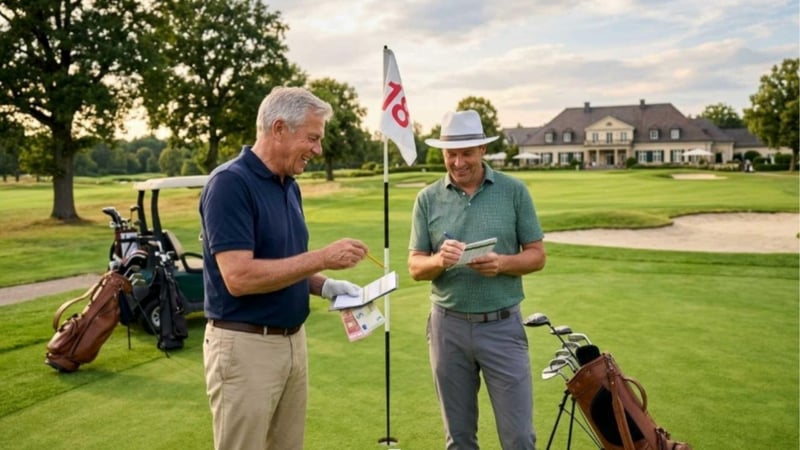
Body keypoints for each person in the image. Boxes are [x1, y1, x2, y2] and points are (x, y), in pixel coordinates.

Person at [200, 86, 368, 450]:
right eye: (312, 137)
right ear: (278, 129)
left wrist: (326, 286)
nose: (318, 150)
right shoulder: (230, 184)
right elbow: (239, 277)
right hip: (245, 347)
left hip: (293, 343)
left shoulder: (289, 186)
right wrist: (323, 257)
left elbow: (285, 264)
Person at [407, 110, 546, 450]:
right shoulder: (427, 199)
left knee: (519, 438)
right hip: (447, 329)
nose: (457, 162)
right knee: (459, 439)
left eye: (466, 153)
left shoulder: (514, 192)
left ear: (482, 149)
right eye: (450, 154)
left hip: (502, 327)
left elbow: (537, 255)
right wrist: (440, 259)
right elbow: (414, 266)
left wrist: (502, 264)